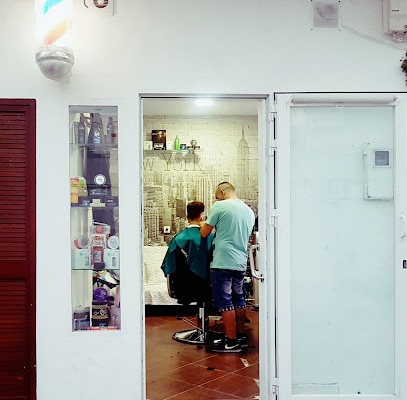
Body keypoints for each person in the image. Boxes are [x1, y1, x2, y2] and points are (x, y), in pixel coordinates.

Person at [200, 182, 255, 352]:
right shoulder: (249, 211)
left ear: (222, 192)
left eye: (217, 195)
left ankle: (231, 342)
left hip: (223, 261)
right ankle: (238, 336)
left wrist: (203, 223)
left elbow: (204, 233)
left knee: (225, 302)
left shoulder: (220, 206)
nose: (216, 198)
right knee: (238, 299)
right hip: (240, 262)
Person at [161, 201, 214, 305]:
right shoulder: (211, 237)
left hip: (183, 288)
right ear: (202, 217)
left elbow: (168, 267)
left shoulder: (177, 239)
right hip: (207, 287)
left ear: (187, 218)